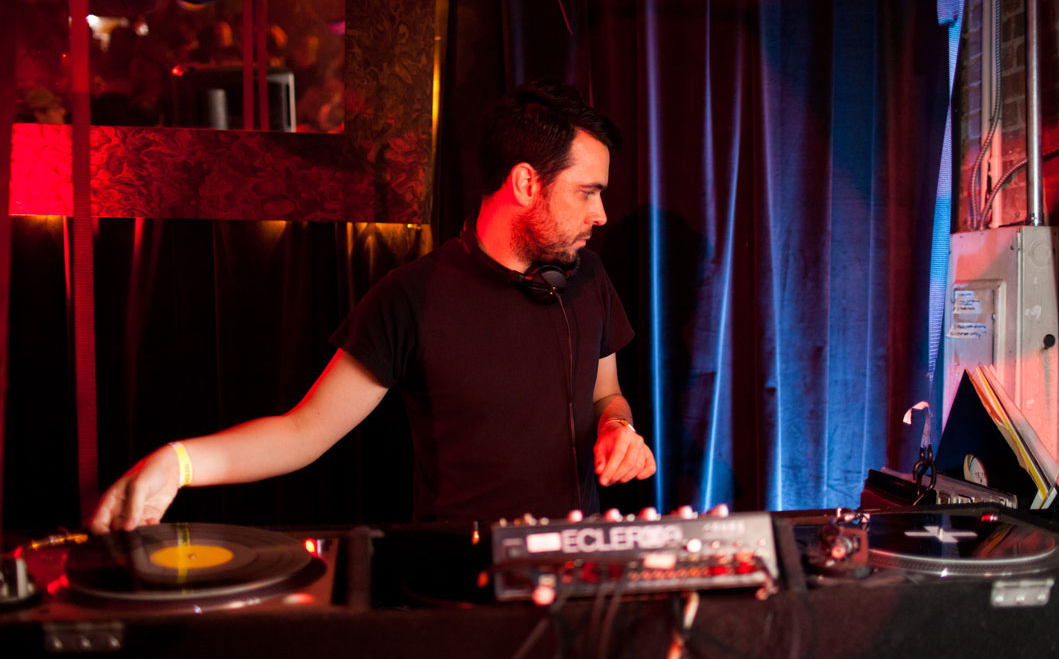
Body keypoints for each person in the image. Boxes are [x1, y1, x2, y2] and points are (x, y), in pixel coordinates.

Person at [90, 81, 655, 534]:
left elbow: (607, 393)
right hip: (457, 589)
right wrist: (178, 462)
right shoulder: (411, 298)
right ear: (527, 183)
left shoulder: (588, 279)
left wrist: (618, 426)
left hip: (574, 573)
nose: (601, 214)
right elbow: (302, 433)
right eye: (587, 192)